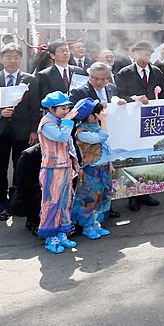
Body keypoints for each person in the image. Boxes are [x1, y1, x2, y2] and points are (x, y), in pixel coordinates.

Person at [0, 43, 40, 221]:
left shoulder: (29, 79)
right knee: (0, 169)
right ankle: (2, 205)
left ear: (21, 59)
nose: (12, 61)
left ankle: (17, 202)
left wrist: (34, 131)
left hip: (22, 132)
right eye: (8, 57)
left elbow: (35, 108)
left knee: (21, 169)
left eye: (16, 57)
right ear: (1, 59)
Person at [113, 40, 164, 211]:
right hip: (131, 120)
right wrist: (134, 99)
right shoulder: (125, 73)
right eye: (143, 54)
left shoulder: (157, 72)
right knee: (133, 157)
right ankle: (132, 195)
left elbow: (162, 91)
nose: (146, 57)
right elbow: (118, 95)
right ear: (135, 54)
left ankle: (145, 192)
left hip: (152, 120)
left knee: (148, 156)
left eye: (148, 54)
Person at [38, 91, 79, 254]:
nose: (66, 111)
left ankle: (62, 232)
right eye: (63, 108)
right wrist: (68, 121)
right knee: (51, 203)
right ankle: (50, 237)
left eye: (67, 108)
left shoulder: (61, 120)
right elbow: (62, 137)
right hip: (51, 169)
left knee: (65, 201)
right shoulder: (46, 123)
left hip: (65, 168)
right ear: (51, 109)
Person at [70, 99, 113, 239]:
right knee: (89, 198)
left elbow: (106, 147)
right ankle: (87, 226)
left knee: (102, 197)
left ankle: (96, 224)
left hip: (104, 167)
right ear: (91, 116)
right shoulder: (81, 132)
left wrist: (110, 164)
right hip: (91, 170)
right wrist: (104, 121)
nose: (103, 114)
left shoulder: (96, 126)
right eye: (99, 113)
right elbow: (102, 138)